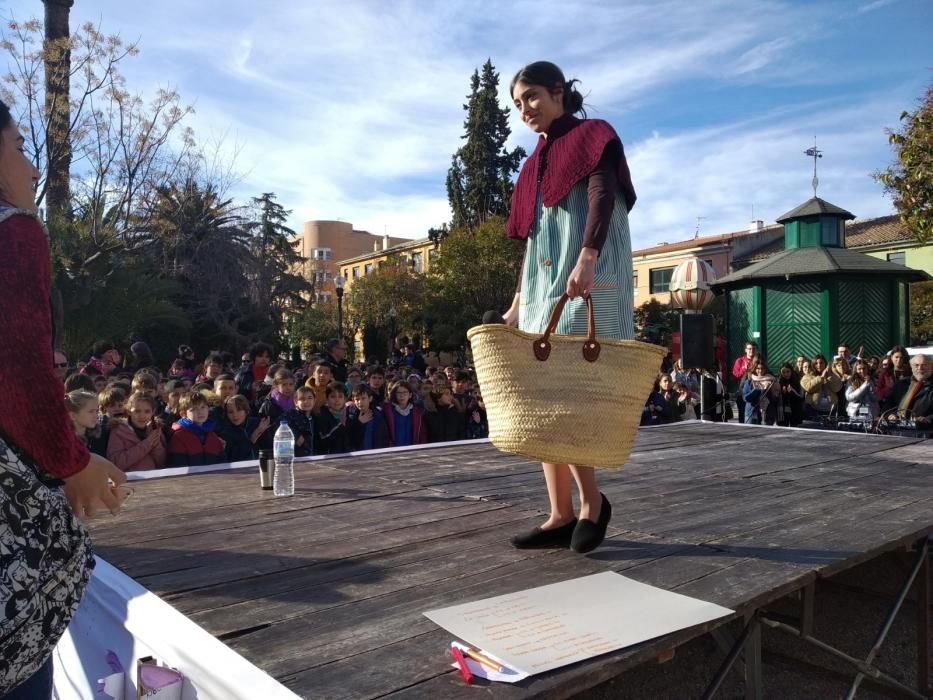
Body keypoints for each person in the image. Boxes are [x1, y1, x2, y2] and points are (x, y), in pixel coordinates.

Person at [0, 99, 126, 697]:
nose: (31, 167)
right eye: (21, 147)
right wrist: (71, 461)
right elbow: (19, 366)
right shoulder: (14, 233)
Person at [498, 62, 640, 554]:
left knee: (569, 394)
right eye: (518, 104)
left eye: (532, 96)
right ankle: (559, 513)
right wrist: (519, 299)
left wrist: (589, 257)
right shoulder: (535, 162)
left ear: (559, 92)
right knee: (541, 396)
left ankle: (592, 503)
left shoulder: (593, 135)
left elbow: (602, 195)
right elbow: (534, 234)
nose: (525, 110)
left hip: (584, 271)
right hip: (542, 283)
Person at [106, 393, 167, 471]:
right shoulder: (118, 431)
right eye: (137, 411)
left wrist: (155, 445)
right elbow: (116, 462)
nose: (142, 416)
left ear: (153, 412)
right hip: (129, 479)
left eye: (147, 411)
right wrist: (147, 444)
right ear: (129, 411)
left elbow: (161, 462)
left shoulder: (155, 430)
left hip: (152, 478)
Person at [168, 392, 225, 467]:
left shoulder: (212, 435)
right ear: (183, 414)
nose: (200, 412)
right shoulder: (179, 437)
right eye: (194, 409)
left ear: (208, 409)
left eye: (203, 407)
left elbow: (222, 463)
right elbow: (178, 466)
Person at [256, 368, 297, 450]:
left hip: (294, 443)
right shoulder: (269, 403)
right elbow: (264, 428)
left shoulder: (297, 401)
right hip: (274, 444)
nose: (288, 388)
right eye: (284, 385)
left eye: (291, 384)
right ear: (276, 385)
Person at [217, 394, 266, 462]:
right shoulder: (226, 433)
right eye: (230, 412)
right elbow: (234, 457)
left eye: (239, 410)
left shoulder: (256, 424)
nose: (235, 415)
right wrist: (251, 440)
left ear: (246, 411)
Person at [886, 354, 932, 424]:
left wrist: (928, 419)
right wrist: (890, 414)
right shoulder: (901, 384)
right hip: (897, 429)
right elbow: (888, 403)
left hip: (925, 431)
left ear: (931, 367)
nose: (920, 368)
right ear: (912, 368)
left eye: (924, 365)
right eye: (916, 365)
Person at [383, 380, 427, 447]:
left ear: (410, 395)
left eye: (405, 392)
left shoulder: (417, 412)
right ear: (395, 394)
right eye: (399, 393)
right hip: (393, 450)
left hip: (412, 450)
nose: (402, 395)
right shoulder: (387, 411)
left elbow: (422, 434)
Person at [800, 354, 843, 419]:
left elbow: (837, 388)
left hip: (831, 411)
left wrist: (829, 376)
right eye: (816, 363)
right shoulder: (807, 376)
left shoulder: (833, 375)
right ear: (813, 365)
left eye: (821, 363)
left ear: (825, 364)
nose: (819, 365)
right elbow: (809, 388)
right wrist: (821, 377)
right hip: (813, 410)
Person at [348, 384, 389, 450]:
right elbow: (349, 439)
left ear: (370, 398)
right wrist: (359, 423)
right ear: (353, 400)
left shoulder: (378, 416)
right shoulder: (351, 416)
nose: (360, 402)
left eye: (363, 398)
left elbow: (383, 438)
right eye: (357, 399)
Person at [315, 382, 352, 454]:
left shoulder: (350, 413)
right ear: (327, 399)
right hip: (330, 458)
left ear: (345, 399)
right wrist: (340, 426)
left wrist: (359, 422)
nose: (337, 400)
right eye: (333, 396)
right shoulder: (322, 416)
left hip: (348, 457)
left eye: (340, 396)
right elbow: (323, 441)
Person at [731, 342, 758, 423]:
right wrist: (744, 370)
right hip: (742, 392)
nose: (752, 351)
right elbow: (735, 376)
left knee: (755, 416)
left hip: (756, 391)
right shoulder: (740, 361)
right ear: (746, 350)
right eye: (749, 349)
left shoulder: (758, 361)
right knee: (742, 416)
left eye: (754, 349)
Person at [287, 386, 316, 457]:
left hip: (313, 457)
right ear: (296, 402)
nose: (306, 401)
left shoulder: (315, 417)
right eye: (302, 399)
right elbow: (278, 425)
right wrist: (296, 436)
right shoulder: (291, 414)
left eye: (310, 398)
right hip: (296, 457)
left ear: (314, 400)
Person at [776, 362, 804, 427]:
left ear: (791, 371)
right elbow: (775, 398)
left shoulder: (797, 381)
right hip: (782, 413)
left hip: (795, 411)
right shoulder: (777, 382)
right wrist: (782, 392)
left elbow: (801, 397)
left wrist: (793, 391)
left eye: (788, 371)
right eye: (783, 372)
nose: (786, 374)